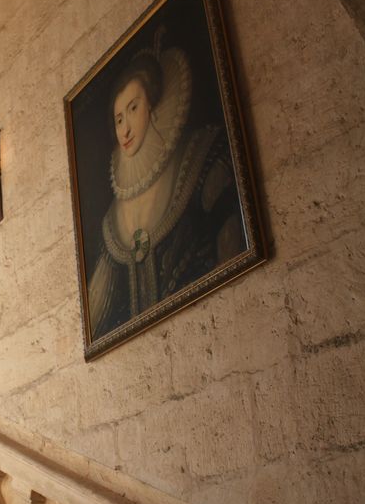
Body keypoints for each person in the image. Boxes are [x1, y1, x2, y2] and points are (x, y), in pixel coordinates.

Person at [87, 42, 246, 340]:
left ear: (153, 105)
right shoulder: (112, 220)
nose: (126, 130)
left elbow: (234, 257)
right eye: (118, 119)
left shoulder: (201, 156)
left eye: (133, 108)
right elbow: (95, 320)